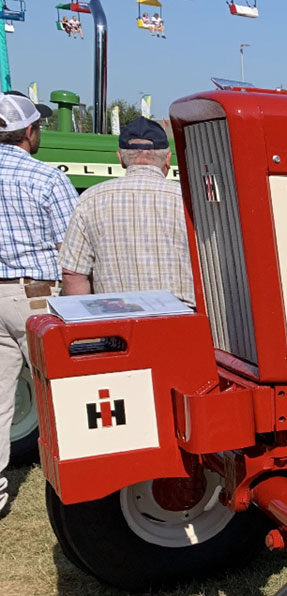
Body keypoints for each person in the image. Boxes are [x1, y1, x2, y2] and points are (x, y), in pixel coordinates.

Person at [0, 92, 78, 514]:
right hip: (36, 297)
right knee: (61, 392)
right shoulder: (46, 179)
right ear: (30, 131)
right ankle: (80, 480)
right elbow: (72, 251)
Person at [59, 117, 194, 303]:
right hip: (183, 320)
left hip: (116, 322)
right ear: (168, 158)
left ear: (120, 158)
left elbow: (73, 274)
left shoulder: (89, 200)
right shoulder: (189, 200)